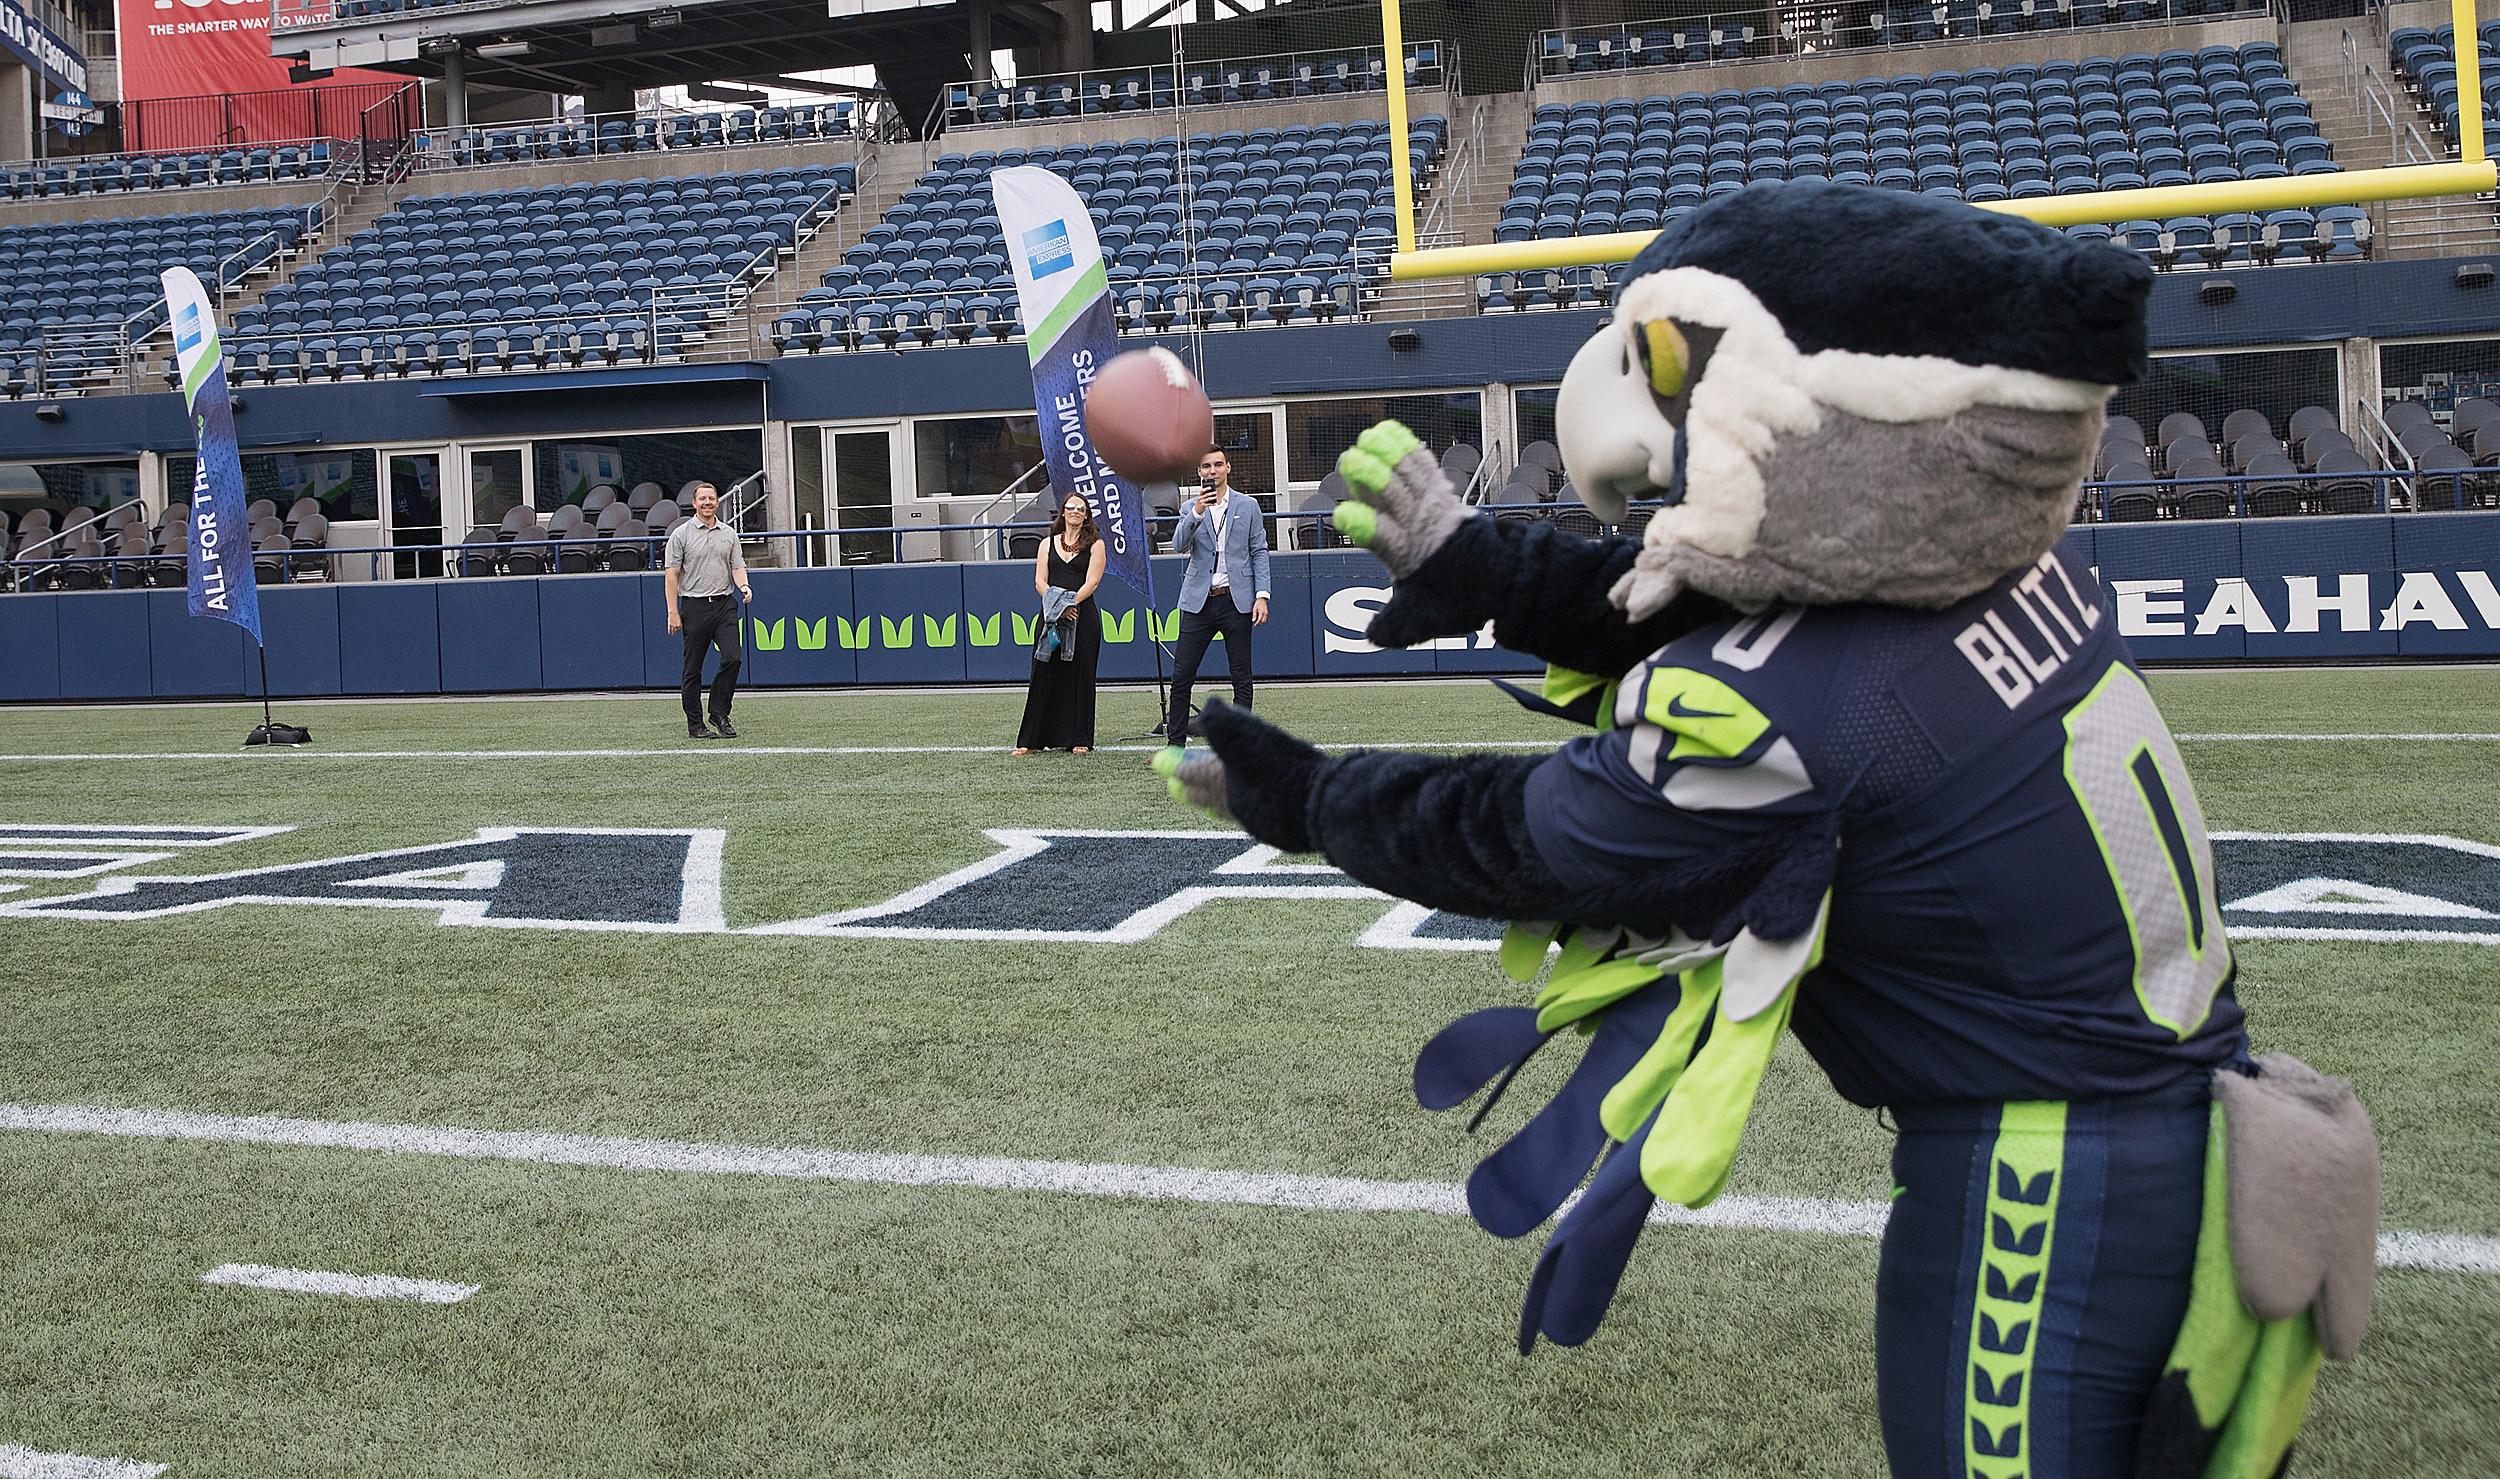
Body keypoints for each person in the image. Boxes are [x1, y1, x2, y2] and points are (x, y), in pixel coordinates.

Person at [1160, 446, 1269, 745]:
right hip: (1199, 601)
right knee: (1181, 676)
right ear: (1199, 472)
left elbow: (1258, 550)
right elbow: (1180, 544)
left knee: (1241, 676)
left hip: (1237, 599)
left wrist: (1262, 595)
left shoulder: (1248, 506)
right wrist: (1197, 512)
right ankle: (1175, 745)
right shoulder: (1189, 507)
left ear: (1228, 468)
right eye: (1206, 466)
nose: (1212, 471)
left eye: (1218, 465)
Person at [1014, 492, 1108, 755]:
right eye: (1070, 507)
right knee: (1043, 674)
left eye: (1081, 508)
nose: (1075, 511)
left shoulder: (1096, 545)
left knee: (1081, 676)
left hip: (1082, 617)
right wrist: (1058, 605)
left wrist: (1070, 603)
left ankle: (1080, 739)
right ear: (1062, 513)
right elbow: (1039, 581)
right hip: (1050, 617)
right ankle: (1031, 741)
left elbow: (1093, 582)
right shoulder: (1046, 544)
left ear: (1086, 514)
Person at [663, 481, 751, 739]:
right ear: (694, 503)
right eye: (702, 499)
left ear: (718, 502)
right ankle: (695, 725)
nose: (707, 503)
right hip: (694, 606)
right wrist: (673, 611)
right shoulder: (681, 534)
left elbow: (737, 566)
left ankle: (719, 713)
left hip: (724, 605)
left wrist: (744, 586)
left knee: (732, 658)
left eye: (711, 498)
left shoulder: (729, 533)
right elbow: (671, 575)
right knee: (693, 669)